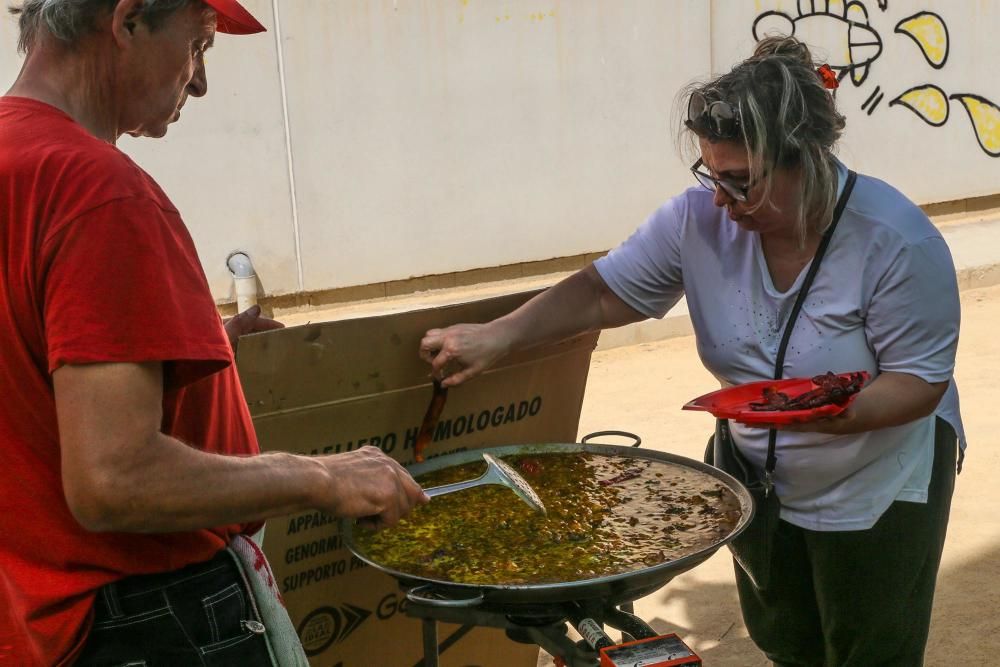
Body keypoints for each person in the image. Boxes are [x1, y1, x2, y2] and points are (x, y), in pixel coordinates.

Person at [420, 37, 963, 666]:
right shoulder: (696, 222)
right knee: (790, 644)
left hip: (878, 478)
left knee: (872, 650)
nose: (720, 201)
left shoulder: (896, 242)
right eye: (710, 175)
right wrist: (497, 336)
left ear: (807, 160)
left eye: (741, 182)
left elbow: (917, 382)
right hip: (762, 474)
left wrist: (830, 414)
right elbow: (600, 293)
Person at [0, 1, 427, 664]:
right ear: (129, 18)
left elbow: (29, 370)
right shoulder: (96, 189)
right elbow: (112, 477)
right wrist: (316, 475)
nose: (198, 82)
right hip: (143, 618)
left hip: (36, 618)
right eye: (199, 46)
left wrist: (195, 343)